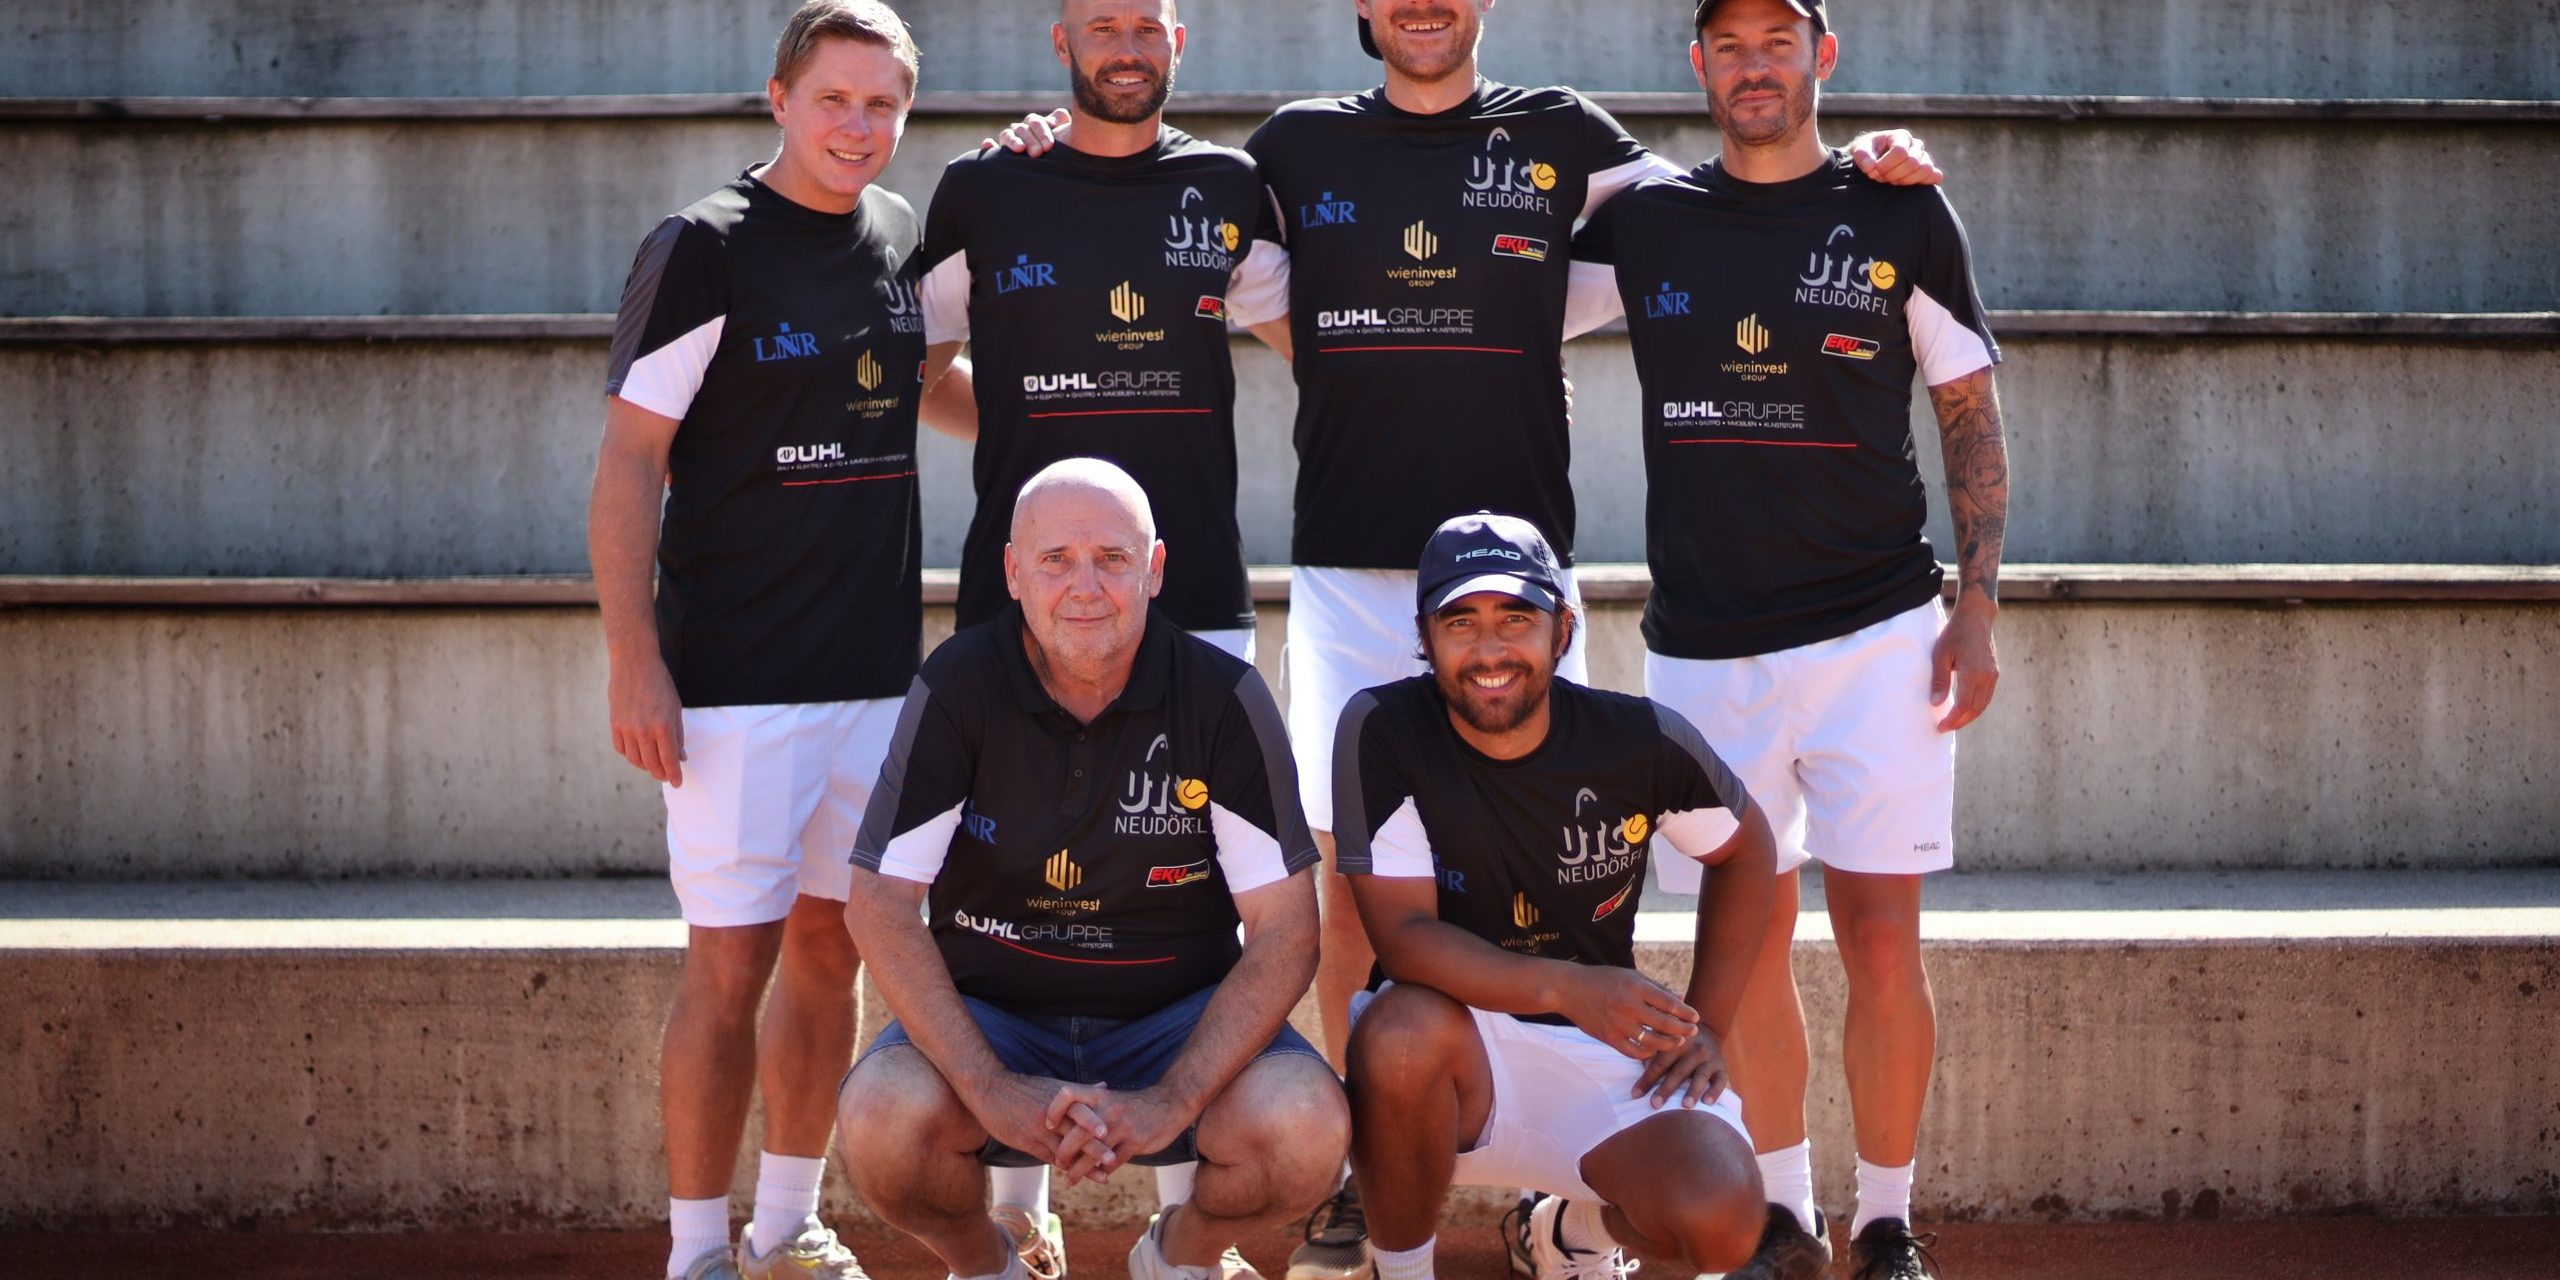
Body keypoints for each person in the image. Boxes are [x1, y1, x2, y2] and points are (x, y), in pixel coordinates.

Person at [991, 7, 1944, 1269]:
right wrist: (1052, 141)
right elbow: (1181, 228)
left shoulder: (1564, 134)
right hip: (1349, 571)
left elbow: (1736, 194)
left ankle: (1574, 1190)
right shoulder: (1292, 145)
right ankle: (1363, 1173)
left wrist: (1862, 161)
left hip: (1518, 577)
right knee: (1353, 881)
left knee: (1565, 868)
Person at [1569, 3, 2010, 1276]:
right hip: (1705, 652)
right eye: (1728, 43)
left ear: (1821, 55)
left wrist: (1977, 606)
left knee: (1881, 940)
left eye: (1777, 39)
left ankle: (1887, 1222)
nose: (1752, 64)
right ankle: (1783, 1217)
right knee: (1747, 949)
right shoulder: (1647, 219)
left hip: (1881, 634)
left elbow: (1968, 409)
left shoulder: (1902, 211)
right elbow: (1490, 285)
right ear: (1695, 64)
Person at [589, 3, 970, 1276]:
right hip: (735, 685)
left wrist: (1061, 412)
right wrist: (635, 660)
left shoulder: (900, 231)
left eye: (883, 104)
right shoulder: (702, 245)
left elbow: (929, 388)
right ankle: (696, 1251)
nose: (858, 126)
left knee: (831, 946)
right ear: (778, 99)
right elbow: (629, 461)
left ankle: (785, 1228)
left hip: (874, 678)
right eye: (834, 100)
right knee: (728, 965)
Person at [836, 459, 1349, 1280]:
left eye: (1113, 558)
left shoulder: (1223, 697)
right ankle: (990, 1265)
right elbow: (878, 903)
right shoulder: (959, 682)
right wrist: (988, 1085)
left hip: (1175, 1024)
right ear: (1013, 572)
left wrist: (1175, 1098)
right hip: (995, 1019)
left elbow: (1287, 929)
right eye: (1056, 560)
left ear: (1155, 569)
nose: (1085, 587)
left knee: (1305, 1127)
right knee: (880, 1120)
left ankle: (1177, 1256)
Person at [1332, 512, 1778, 1280]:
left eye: (1517, 618)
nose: (1489, 649)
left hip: (1599, 1046)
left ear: (1562, 629)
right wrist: (1568, 987)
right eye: (1460, 621)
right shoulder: (1382, 728)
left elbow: (1747, 849)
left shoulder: (1638, 739)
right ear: (1424, 636)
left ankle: (1573, 1235)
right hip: (1449, 1050)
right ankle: (1401, 1272)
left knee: (1723, 1219)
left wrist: (1710, 1024)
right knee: (1398, 1032)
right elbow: (1403, 937)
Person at [920, 0, 1294, 671]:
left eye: (1148, 30)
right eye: (1102, 29)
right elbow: (915, 376)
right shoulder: (982, 188)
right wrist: (1017, 412)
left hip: (1197, 599)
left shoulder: (1228, 184)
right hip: (1021, 610)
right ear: (1062, 44)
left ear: (1178, 42)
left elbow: (1326, 352)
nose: (1128, 50)